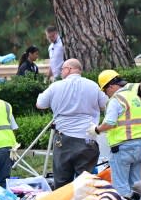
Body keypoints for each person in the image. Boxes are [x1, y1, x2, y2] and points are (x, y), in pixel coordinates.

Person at [35, 58, 107, 189]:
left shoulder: (56, 86)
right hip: (87, 138)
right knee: (85, 182)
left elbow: (40, 104)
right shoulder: (93, 85)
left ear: (68, 69)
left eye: (62, 69)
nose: (61, 72)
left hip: (64, 139)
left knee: (62, 181)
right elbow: (104, 105)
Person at [92, 70, 141, 199]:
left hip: (123, 148)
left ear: (110, 86)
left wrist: (97, 129)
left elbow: (110, 123)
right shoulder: (135, 98)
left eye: (105, 91)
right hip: (140, 146)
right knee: (137, 185)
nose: (106, 95)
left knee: (120, 186)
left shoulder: (116, 100)